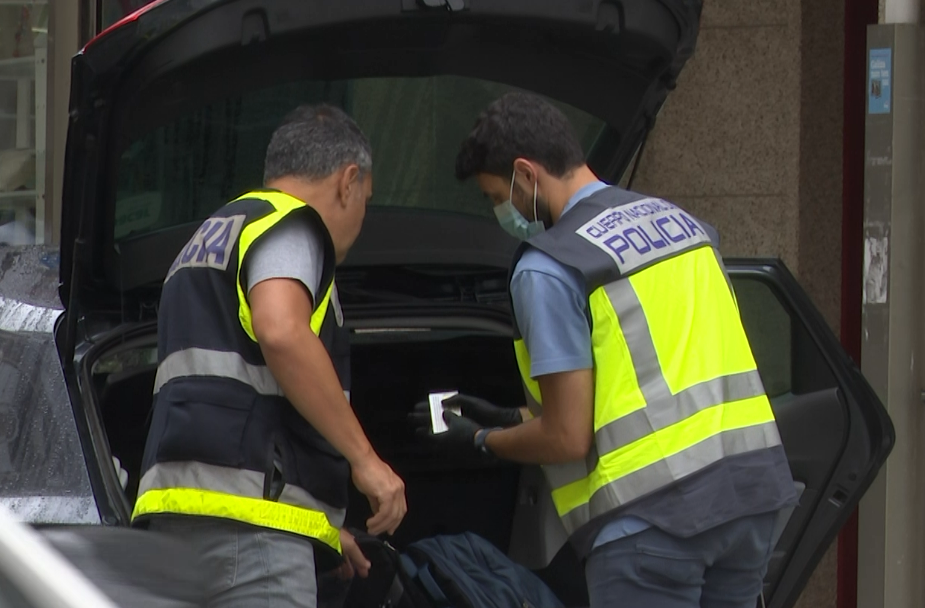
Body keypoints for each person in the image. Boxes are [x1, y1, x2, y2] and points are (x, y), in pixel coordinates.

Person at [421, 92, 798, 607]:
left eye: (494, 197)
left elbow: (568, 438)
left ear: (526, 175)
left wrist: (485, 439)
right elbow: (655, 378)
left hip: (655, 524)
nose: (499, 212)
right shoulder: (685, 227)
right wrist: (513, 415)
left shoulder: (549, 268)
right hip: (751, 498)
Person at [133, 104, 407, 608]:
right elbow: (281, 332)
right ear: (348, 181)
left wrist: (319, 532)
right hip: (252, 534)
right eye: (365, 200)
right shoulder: (291, 225)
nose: (362, 218)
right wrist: (367, 462)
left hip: (173, 524)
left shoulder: (206, 240)